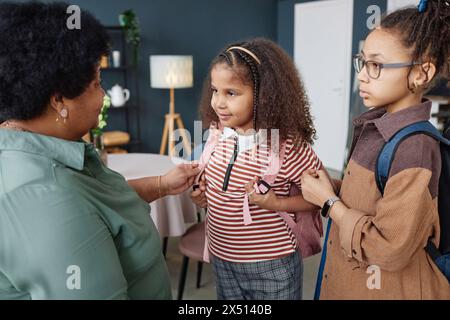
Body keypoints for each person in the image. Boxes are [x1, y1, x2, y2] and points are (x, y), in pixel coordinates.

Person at [0, 2, 199, 299]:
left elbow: (98, 205)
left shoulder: (47, 148)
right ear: (59, 100)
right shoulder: (46, 196)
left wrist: (161, 184)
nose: (103, 95)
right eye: (97, 83)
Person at [300, 0, 450, 299]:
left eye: (376, 65)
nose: (362, 75)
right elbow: (377, 196)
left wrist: (330, 203)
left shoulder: (415, 149)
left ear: (421, 73)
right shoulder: (376, 126)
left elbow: (389, 248)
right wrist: (337, 188)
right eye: (363, 62)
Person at [190, 38, 323, 300]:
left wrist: (277, 203)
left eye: (231, 93)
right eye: (216, 90)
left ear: (264, 96)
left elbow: (323, 195)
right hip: (222, 257)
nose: (218, 102)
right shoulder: (216, 135)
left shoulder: (288, 147)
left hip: (271, 264)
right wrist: (199, 195)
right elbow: (218, 189)